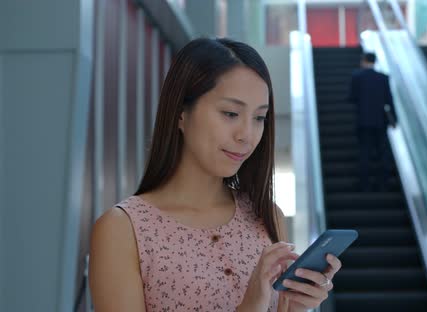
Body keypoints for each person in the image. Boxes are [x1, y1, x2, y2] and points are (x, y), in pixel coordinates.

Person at [89, 38, 342, 312]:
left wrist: (293, 306)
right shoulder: (123, 229)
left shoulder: (266, 217)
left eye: (259, 118)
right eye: (231, 113)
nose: (246, 135)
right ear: (180, 113)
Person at [348, 52, 396, 192]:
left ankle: (365, 184)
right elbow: (389, 99)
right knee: (382, 152)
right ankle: (383, 183)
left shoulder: (357, 77)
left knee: (365, 152)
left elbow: (351, 97)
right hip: (380, 121)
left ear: (363, 61)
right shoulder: (383, 78)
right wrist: (395, 119)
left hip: (363, 120)